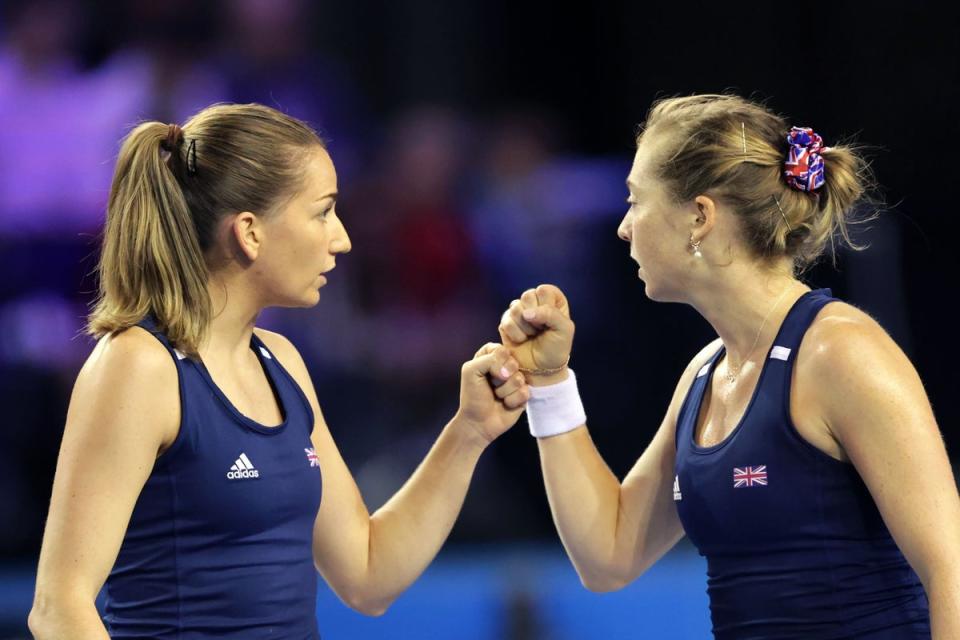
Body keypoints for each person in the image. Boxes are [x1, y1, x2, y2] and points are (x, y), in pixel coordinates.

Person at [28, 103, 530, 639]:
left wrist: (468, 431)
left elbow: (368, 574)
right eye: (323, 213)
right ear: (250, 232)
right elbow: (60, 607)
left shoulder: (281, 363)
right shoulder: (138, 367)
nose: (342, 238)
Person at [497, 94, 960, 638]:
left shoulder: (842, 354)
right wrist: (549, 385)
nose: (623, 228)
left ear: (699, 216)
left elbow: (950, 571)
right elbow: (609, 555)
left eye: (634, 200)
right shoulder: (705, 373)